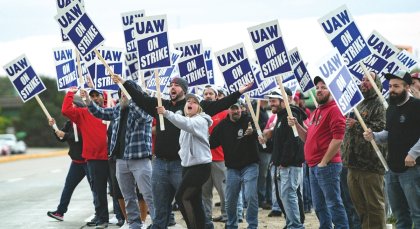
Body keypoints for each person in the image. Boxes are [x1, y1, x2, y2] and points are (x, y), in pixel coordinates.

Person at [112, 74, 253, 229]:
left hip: (182, 165)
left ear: (184, 90)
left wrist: (239, 92)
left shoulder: (193, 107)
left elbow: (221, 104)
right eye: (171, 84)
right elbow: (140, 98)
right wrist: (124, 83)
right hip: (159, 164)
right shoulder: (160, 104)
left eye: (177, 84)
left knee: (190, 202)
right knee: (160, 208)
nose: (173, 87)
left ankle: (204, 226)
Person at [87, 84, 155, 229]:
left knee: (149, 195)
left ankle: (158, 223)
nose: (123, 96)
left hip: (140, 159)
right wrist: (88, 101)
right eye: (121, 93)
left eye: (126, 93)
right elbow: (101, 113)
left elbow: (144, 118)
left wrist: (132, 99)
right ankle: (134, 224)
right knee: (128, 196)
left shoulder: (144, 107)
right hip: (121, 160)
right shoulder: (118, 109)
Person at [288, 76, 349, 229]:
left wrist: (323, 162)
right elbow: (307, 137)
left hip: (326, 166)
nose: (319, 90)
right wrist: (296, 125)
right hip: (314, 165)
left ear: (332, 90)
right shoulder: (317, 111)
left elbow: (338, 139)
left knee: (333, 203)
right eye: (318, 87)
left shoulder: (335, 109)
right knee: (320, 207)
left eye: (324, 87)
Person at [363, 70, 420, 228]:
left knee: (417, 213)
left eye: (396, 86)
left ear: (407, 87)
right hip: (392, 169)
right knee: (400, 215)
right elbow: (389, 134)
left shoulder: (417, 106)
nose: (392, 90)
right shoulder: (391, 109)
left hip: (412, 170)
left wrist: (413, 154)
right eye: (390, 86)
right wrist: (373, 135)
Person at [156, 93, 212, 229]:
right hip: (188, 167)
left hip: (200, 167)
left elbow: (186, 123)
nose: (190, 103)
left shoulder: (200, 120)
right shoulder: (188, 121)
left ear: (199, 108)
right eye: (188, 101)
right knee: (194, 200)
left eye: (194, 102)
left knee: (182, 198)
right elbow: (184, 142)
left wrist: (167, 113)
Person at [341, 72, 386, 229]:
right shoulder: (357, 102)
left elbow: (381, 130)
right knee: (360, 207)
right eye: (362, 79)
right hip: (353, 164)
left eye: (368, 79)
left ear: (376, 83)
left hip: (370, 165)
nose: (364, 82)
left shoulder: (380, 104)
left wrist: (357, 125)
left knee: (374, 207)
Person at [62, 88, 109, 229]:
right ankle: (102, 218)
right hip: (94, 158)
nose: (94, 98)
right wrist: (71, 93)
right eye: (91, 95)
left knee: (117, 191)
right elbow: (66, 110)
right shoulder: (83, 113)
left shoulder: (111, 111)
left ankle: (121, 218)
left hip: (112, 157)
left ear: (103, 97)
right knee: (99, 191)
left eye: (97, 95)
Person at [260, 88, 307, 229]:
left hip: (289, 165)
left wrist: (284, 162)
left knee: (289, 196)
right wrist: (267, 137)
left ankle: (296, 225)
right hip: (282, 164)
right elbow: (281, 140)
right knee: (284, 197)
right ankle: (291, 223)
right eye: (270, 101)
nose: (271, 103)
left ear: (283, 101)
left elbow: (293, 141)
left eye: (274, 101)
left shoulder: (291, 114)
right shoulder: (281, 116)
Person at [210, 101, 260, 229]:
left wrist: (253, 132)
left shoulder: (250, 119)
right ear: (228, 110)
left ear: (241, 109)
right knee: (230, 199)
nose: (235, 111)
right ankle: (231, 225)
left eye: (237, 108)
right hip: (232, 168)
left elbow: (261, 137)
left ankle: (252, 225)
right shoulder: (222, 125)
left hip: (250, 165)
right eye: (232, 109)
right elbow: (212, 143)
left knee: (250, 196)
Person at [47, 95, 95, 222]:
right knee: (68, 187)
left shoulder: (85, 120)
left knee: (95, 188)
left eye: (73, 106)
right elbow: (61, 138)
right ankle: (60, 212)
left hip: (88, 161)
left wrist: (66, 135)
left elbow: (81, 137)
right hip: (76, 162)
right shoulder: (69, 123)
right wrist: (54, 127)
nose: (71, 109)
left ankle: (99, 214)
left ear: (79, 107)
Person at [201, 86, 229, 226]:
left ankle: (226, 215)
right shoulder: (198, 113)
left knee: (224, 190)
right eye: (205, 93)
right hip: (203, 159)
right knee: (205, 192)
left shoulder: (224, 113)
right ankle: (206, 217)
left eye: (211, 93)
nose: (208, 96)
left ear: (216, 96)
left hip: (220, 158)